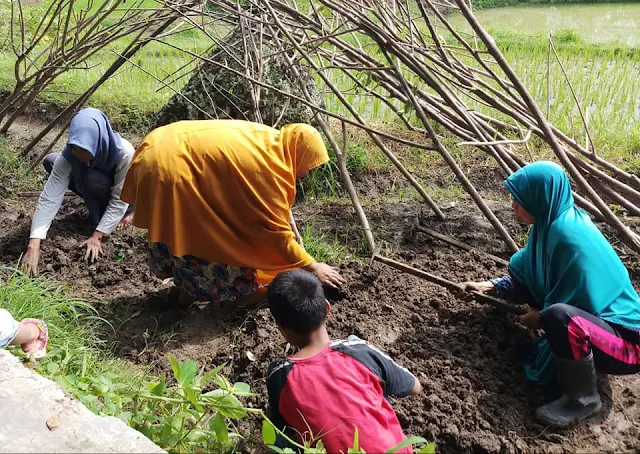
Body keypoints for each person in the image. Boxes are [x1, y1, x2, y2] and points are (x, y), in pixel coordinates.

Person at [460, 161, 640, 428]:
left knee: (559, 317)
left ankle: (584, 399)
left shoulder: (568, 236)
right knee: (536, 287)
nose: (513, 206)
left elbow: (576, 308)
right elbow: (528, 274)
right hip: (600, 327)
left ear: (540, 198)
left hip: (627, 344)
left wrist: (542, 318)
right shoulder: (549, 226)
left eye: (518, 199)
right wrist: (492, 286)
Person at [120, 120, 344, 305]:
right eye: (308, 164)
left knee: (181, 228)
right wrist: (312, 265)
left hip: (158, 146)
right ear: (298, 154)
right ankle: (221, 295)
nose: (306, 173)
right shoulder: (269, 171)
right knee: (206, 235)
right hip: (171, 171)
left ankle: (183, 293)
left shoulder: (270, 141)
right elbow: (275, 234)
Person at [266, 269, 422, 452]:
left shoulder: (279, 375)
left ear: (281, 328)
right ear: (327, 308)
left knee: (278, 432)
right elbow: (415, 387)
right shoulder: (361, 351)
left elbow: (282, 423)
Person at [21, 108, 135, 275]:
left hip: (126, 195)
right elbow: (50, 197)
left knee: (91, 179)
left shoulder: (124, 153)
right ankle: (95, 204)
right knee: (52, 161)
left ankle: (117, 215)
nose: (79, 155)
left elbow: (119, 198)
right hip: (93, 184)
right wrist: (34, 243)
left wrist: (97, 236)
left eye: (85, 150)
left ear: (98, 141)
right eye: (75, 148)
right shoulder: (71, 154)